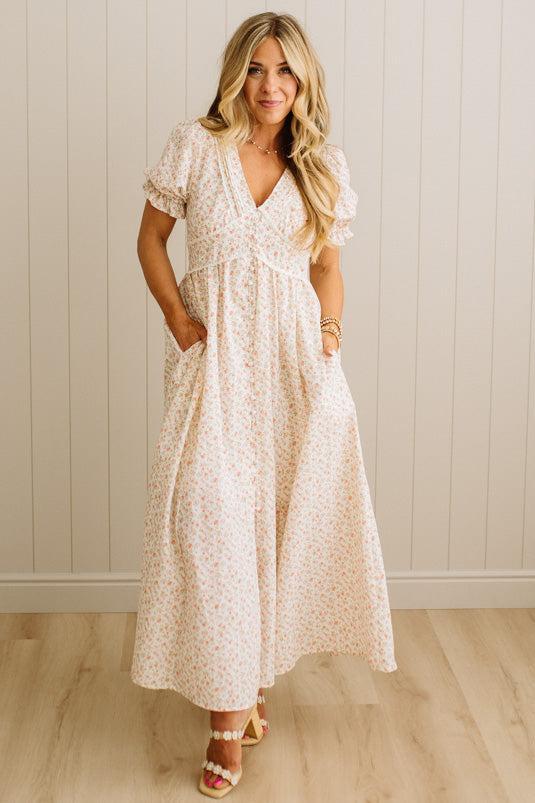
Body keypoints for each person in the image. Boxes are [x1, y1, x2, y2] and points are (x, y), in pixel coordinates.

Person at [130, 11, 397, 798]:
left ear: (304, 79)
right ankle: (226, 719)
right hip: (213, 367)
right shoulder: (195, 146)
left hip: (290, 369)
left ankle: (242, 689)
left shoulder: (323, 167)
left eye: (284, 71)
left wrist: (329, 331)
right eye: (255, 69)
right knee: (211, 525)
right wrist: (180, 323)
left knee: (276, 527)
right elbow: (149, 240)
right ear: (235, 74)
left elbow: (326, 270)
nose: (270, 86)